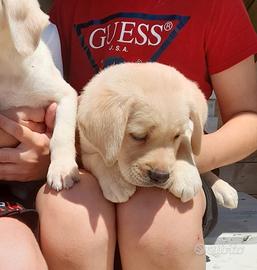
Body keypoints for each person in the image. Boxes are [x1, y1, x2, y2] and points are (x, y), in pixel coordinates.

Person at [1, 1, 257, 270]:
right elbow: (48, 97)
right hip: (87, 162)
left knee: (161, 225)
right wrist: (49, 153)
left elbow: (249, 118)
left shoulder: (215, 6)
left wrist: (184, 159)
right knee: (71, 217)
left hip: (175, 167)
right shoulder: (70, 6)